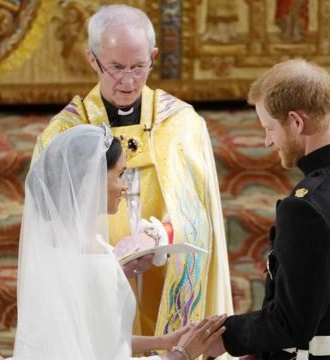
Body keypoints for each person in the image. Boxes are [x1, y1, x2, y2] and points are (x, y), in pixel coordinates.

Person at [32, 4, 233, 341]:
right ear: (92, 60)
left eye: (139, 66)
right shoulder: (64, 135)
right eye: (115, 67)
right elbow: (49, 231)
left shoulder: (182, 124)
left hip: (166, 275)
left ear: (153, 56)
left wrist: (156, 238)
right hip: (95, 281)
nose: (128, 80)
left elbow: (200, 215)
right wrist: (103, 264)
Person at [207, 59, 330, 359]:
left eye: (270, 128)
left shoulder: (306, 208)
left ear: (297, 122)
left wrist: (222, 335)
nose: (267, 140)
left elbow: (290, 323)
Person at [14, 124, 226, 359]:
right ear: (93, 178)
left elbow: (95, 340)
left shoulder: (50, 246)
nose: (126, 186)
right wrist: (183, 353)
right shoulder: (97, 262)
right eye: (121, 174)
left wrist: (164, 341)